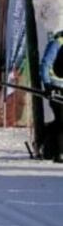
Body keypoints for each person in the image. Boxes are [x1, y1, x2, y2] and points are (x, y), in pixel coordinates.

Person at [39, 29, 63, 163]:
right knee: (61, 119)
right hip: (55, 86)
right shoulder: (57, 43)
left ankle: (48, 145)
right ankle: (59, 153)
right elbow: (45, 64)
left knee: (60, 121)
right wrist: (47, 85)